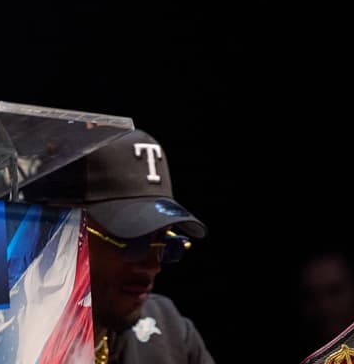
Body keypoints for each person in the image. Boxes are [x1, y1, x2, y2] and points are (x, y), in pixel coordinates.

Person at [20, 128, 214, 363]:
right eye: (134, 240)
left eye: (164, 242)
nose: (153, 266)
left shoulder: (170, 332)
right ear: (56, 232)